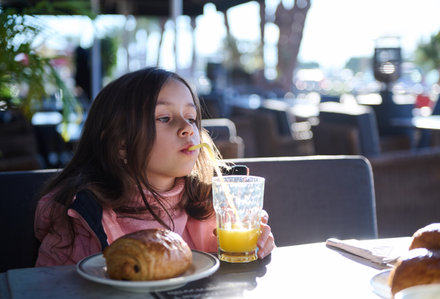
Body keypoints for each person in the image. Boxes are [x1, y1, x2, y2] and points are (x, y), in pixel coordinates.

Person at [34, 67, 275, 266]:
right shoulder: (81, 222)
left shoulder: (214, 203)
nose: (188, 128)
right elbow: (49, 288)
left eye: (191, 118)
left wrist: (260, 243)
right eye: (164, 118)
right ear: (122, 145)